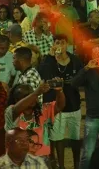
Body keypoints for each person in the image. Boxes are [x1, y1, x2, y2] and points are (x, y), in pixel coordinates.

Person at [38, 34, 84, 169]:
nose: (60, 46)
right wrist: (50, 57)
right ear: (53, 44)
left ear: (67, 45)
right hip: (55, 105)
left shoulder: (75, 60)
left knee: (75, 137)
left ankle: (76, 164)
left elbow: (81, 78)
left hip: (73, 104)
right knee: (57, 138)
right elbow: (43, 75)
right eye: (57, 43)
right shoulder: (49, 60)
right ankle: (60, 165)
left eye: (63, 43)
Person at [72, 43, 99, 169]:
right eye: (97, 53)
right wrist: (86, 69)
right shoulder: (88, 71)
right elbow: (74, 83)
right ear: (92, 55)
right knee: (88, 153)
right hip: (93, 117)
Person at [4, 81, 65, 162]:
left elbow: (59, 106)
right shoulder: (11, 111)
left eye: (33, 94)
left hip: (42, 159)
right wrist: (36, 93)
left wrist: (59, 91)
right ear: (17, 100)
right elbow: (16, 109)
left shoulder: (42, 110)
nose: (33, 98)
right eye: (27, 96)